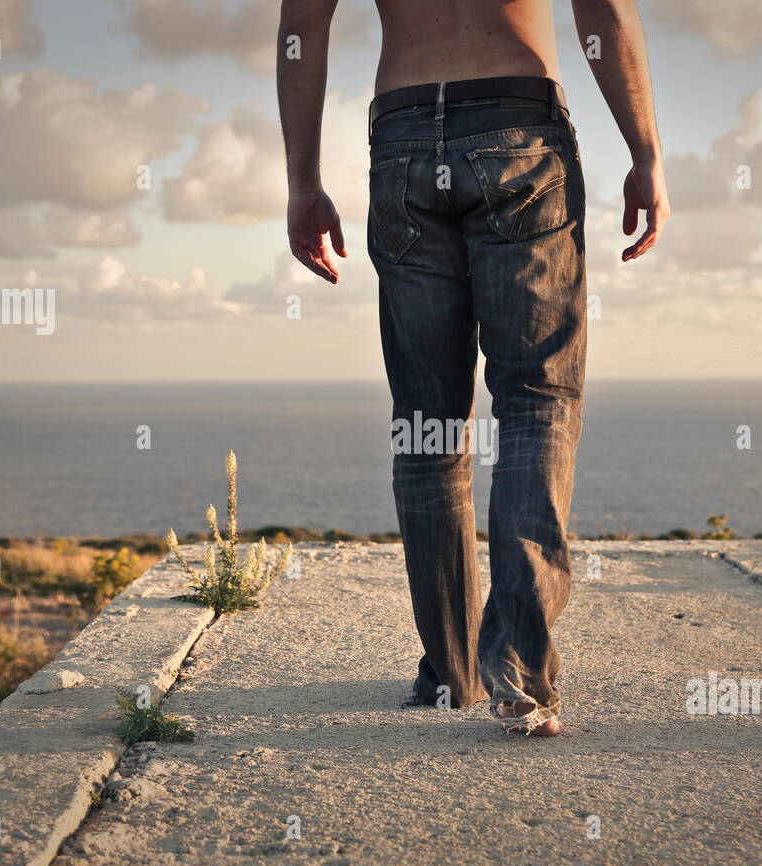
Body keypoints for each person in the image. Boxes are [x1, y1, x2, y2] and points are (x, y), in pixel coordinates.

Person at [277, 0, 669, 736]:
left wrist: (303, 180)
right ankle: (516, 667)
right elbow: (607, 12)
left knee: (428, 422)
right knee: (536, 399)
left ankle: (450, 676)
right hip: (519, 127)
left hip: (401, 137)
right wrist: (644, 152)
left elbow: (302, 24)